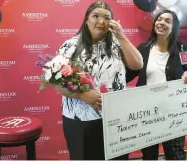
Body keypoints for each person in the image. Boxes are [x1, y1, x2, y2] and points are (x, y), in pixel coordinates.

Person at [54, 1, 143, 160]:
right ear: (86, 19)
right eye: (96, 16)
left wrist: (121, 37)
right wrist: (82, 95)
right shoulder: (71, 45)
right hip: (81, 121)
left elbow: (138, 64)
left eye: (107, 18)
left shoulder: (116, 44)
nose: (101, 22)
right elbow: (55, 81)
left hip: (115, 118)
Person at [126, 10, 187, 160]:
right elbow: (127, 75)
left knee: (175, 154)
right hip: (147, 112)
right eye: (159, 19)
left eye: (167, 21)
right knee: (149, 154)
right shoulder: (143, 49)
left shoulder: (182, 49)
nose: (162, 23)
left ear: (174, 27)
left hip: (173, 112)